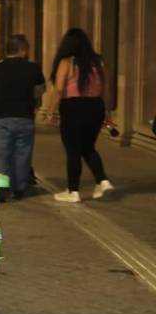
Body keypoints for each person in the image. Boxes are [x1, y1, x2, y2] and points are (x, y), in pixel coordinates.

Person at [49, 28, 113, 203]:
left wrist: (51, 110)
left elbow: (60, 89)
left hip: (74, 107)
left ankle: (73, 190)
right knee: (87, 147)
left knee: (73, 150)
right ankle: (103, 180)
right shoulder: (98, 62)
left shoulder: (67, 62)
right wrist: (107, 112)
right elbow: (105, 90)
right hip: (96, 106)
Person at [0, 35, 44, 200]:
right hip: (25, 117)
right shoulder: (33, 68)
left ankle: (1, 189)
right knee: (22, 153)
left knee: (1, 153)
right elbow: (39, 90)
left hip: (1, 118)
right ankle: (19, 188)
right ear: (22, 50)